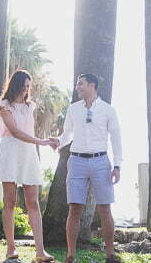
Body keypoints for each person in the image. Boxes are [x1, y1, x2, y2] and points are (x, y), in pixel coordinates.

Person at [51, 73, 122, 263]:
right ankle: (71, 256)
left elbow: (116, 139)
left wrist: (117, 166)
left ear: (92, 85)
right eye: (77, 84)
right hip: (77, 161)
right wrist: (58, 141)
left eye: (80, 84)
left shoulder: (108, 110)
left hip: (101, 162)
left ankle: (110, 254)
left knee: (105, 208)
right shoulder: (73, 109)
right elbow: (68, 134)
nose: (77, 87)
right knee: (74, 209)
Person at [0, 70, 56, 263]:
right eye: (24, 85)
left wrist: (38, 143)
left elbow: (26, 131)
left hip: (28, 154)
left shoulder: (30, 107)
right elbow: (15, 132)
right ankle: (10, 248)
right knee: (10, 202)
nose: (27, 89)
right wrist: (42, 142)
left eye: (29, 86)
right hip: (10, 152)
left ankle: (40, 251)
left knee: (33, 203)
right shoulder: (4, 106)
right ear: (16, 85)